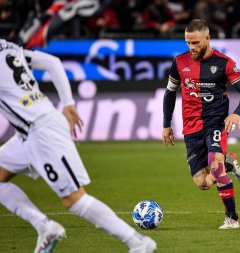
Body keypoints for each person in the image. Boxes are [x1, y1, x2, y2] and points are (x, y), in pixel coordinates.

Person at [0, 39, 156, 253]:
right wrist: (68, 103)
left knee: (73, 199)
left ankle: (138, 242)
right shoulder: (8, 48)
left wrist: (69, 104)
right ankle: (45, 227)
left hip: (41, 131)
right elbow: (52, 62)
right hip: (28, 131)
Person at [162, 19, 240, 229]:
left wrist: (237, 114)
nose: (191, 48)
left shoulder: (224, 63)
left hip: (215, 124)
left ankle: (232, 218)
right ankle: (230, 164)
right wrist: (166, 123)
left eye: (195, 43)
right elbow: (170, 92)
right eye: (188, 43)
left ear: (208, 39)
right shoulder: (179, 62)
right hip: (191, 128)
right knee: (203, 183)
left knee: (215, 166)